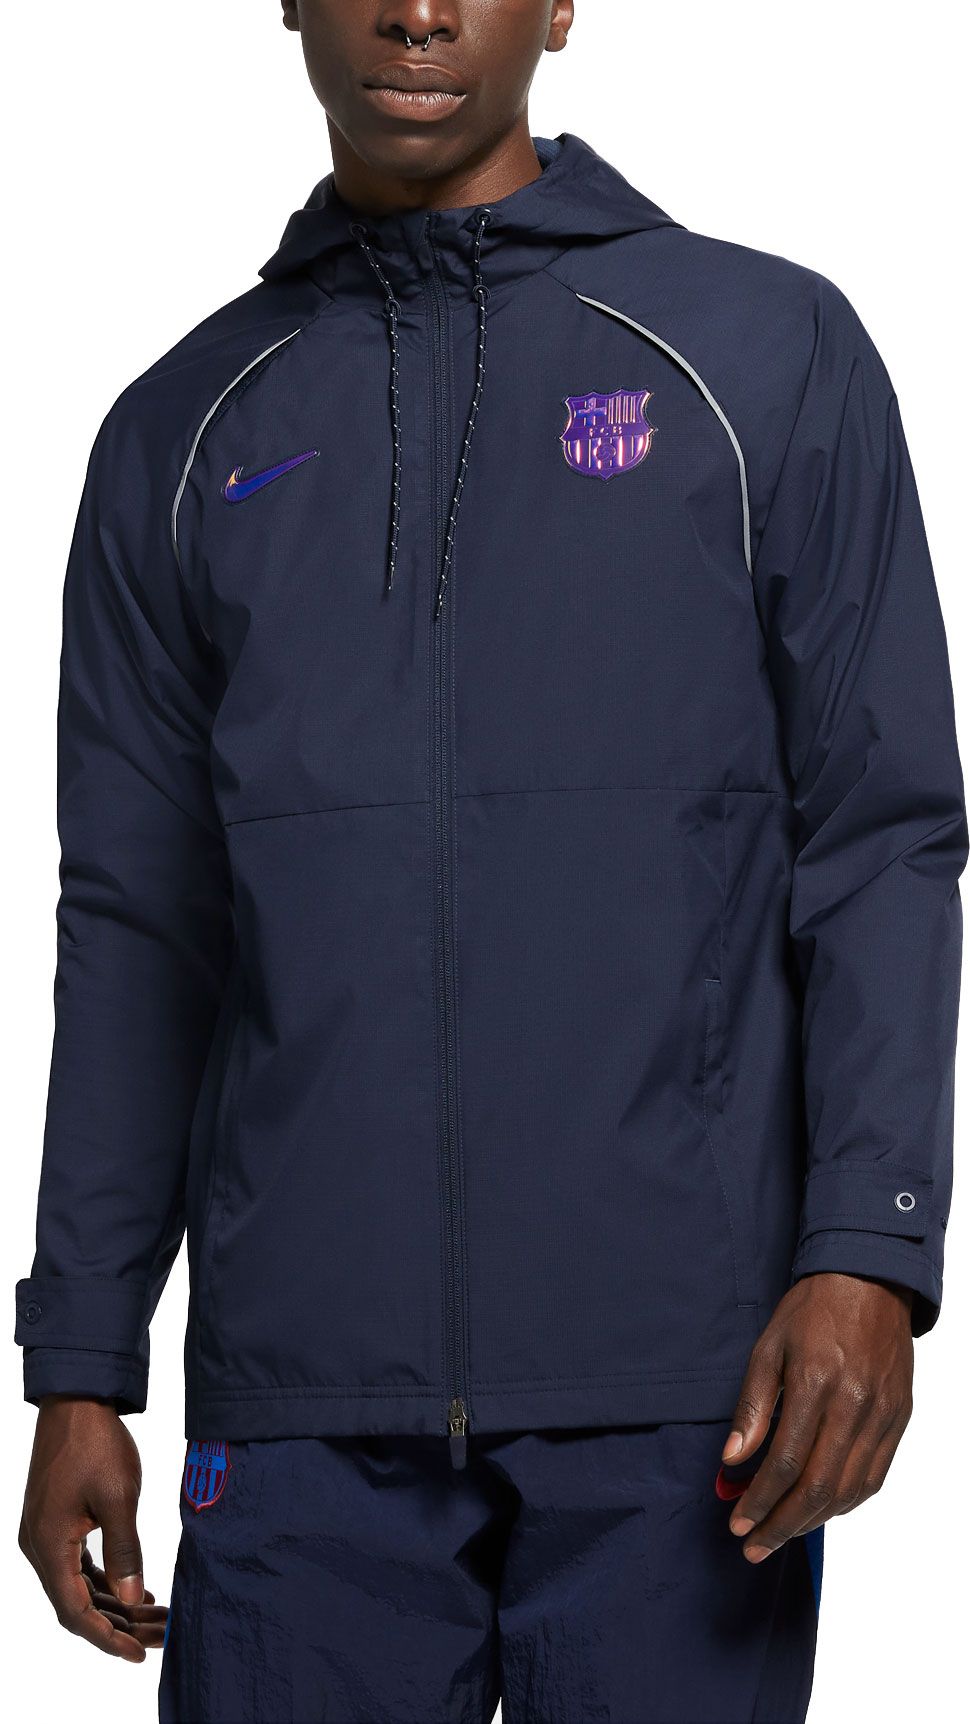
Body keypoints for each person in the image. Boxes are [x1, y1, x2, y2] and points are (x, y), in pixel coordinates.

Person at [15, 3, 966, 1721]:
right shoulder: (181, 428)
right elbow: (142, 925)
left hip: (687, 1392)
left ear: (560, 4)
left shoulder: (761, 352)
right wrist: (81, 1358)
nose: (419, 10)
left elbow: (880, 836)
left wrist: (867, 1252)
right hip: (301, 1407)